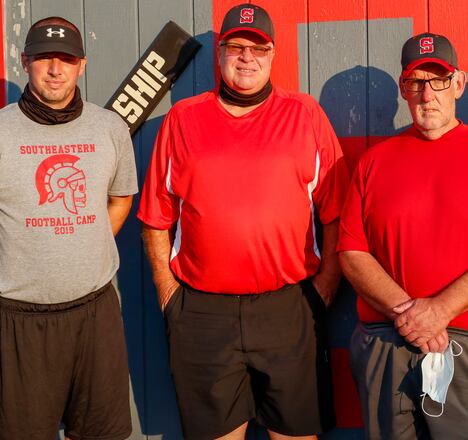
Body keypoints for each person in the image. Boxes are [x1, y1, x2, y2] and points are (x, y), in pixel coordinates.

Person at [137, 3, 347, 439]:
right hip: (201, 313)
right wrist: (168, 295)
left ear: (273, 55)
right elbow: (156, 217)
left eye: (258, 48)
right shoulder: (182, 119)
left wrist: (324, 286)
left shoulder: (305, 115)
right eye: (235, 46)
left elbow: (336, 212)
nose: (246, 57)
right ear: (220, 54)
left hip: (288, 309)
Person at [0, 16, 137, 440]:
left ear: (82, 65)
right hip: (22, 322)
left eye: (66, 59)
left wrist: (86, 244)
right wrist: (19, 251)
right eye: (44, 58)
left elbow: (121, 198)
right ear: (25, 61)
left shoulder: (110, 128)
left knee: (102, 433)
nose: (55, 69)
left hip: (95, 314)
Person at [337, 32, 468, 439]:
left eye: (438, 80)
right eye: (416, 81)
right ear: (404, 88)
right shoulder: (375, 162)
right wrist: (411, 314)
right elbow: (352, 252)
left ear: (458, 84)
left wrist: (439, 311)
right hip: (386, 341)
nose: (427, 94)